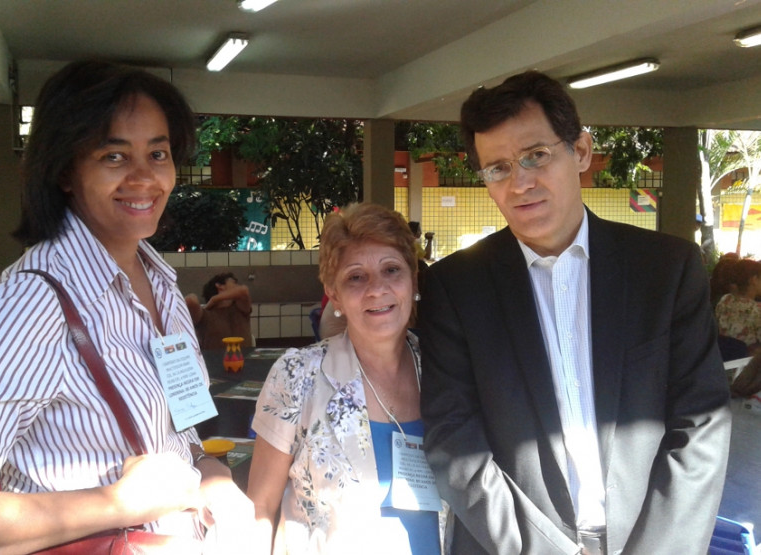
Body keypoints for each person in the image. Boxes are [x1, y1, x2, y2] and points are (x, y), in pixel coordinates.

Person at [0, 60, 252, 553]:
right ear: (64, 172)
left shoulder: (161, 286)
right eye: (113, 157)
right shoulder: (33, 304)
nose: (145, 178)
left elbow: (172, 432)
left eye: (158, 153)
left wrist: (207, 473)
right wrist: (116, 503)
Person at [420, 70, 731, 554]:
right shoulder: (455, 287)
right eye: (498, 168)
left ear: (581, 151)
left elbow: (702, 423)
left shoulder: (665, 270)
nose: (521, 182)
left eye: (536, 156)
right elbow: (454, 440)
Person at [247, 203, 440, 554]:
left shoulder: (445, 369)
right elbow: (260, 508)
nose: (376, 289)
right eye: (356, 276)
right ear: (333, 293)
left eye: (392, 270)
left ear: (413, 280)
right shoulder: (298, 375)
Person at [186, 272, 253, 350]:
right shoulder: (205, 315)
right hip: (214, 361)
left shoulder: (240, 309)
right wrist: (211, 302)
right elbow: (190, 300)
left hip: (245, 360)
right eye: (234, 283)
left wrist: (215, 299)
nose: (238, 286)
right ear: (220, 286)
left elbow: (244, 290)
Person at [716, 258, 761, 353]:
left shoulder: (725, 300)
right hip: (746, 364)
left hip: (722, 359)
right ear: (754, 279)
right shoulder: (757, 310)